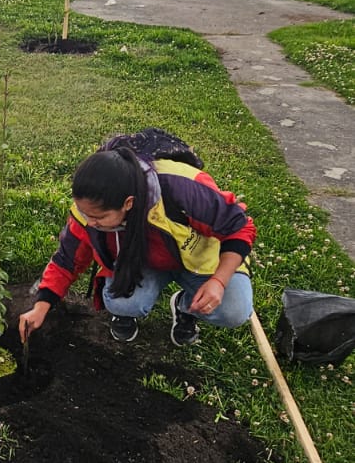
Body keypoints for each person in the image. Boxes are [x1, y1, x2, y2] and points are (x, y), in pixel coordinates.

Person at [19, 132, 255, 351]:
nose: (90, 222)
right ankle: (126, 312)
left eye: (99, 217)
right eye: (86, 214)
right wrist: (41, 306)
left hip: (198, 259)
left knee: (234, 310)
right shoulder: (88, 209)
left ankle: (185, 307)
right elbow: (66, 259)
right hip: (144, 263)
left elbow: (239, 226)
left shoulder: (182, 187)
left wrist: (219, 281)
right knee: (122, 302)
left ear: (128, 203)